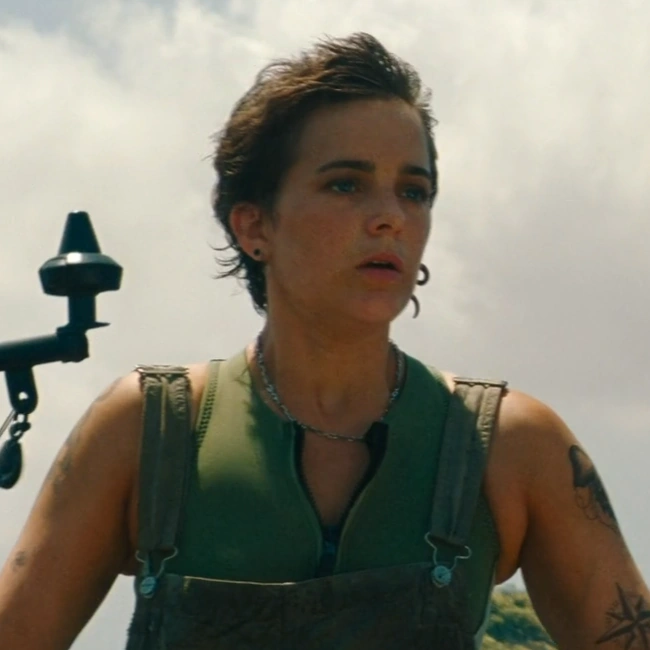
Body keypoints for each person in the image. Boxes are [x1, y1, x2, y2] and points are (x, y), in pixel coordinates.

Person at [0, 32, 648, 650]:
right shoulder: (150, 428)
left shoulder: (509, 444)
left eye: (414, 191)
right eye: (346, 184)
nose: (390, 217)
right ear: (254, 226)